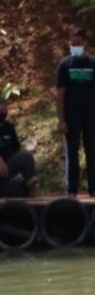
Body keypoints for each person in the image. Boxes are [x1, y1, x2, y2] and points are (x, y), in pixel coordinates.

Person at [57, 26, 95, 196]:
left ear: (85, 43)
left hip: (91, 116)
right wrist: (61, 120)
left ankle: (93, 189)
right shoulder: (65, 65)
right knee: (72, 153)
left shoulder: (93, 64)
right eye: (73, 43)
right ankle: (72, 190)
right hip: (71, 117)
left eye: (78, 43)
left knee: (92, 151)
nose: (75, 46)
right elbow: (60, 94)